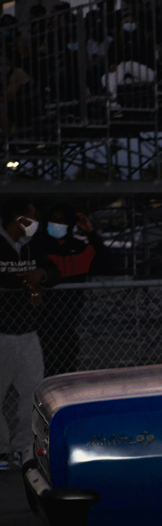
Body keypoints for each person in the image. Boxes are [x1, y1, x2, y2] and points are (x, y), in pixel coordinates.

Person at [0, 198, 51, 470]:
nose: (35, 224)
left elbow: (51, 269)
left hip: (28, 332)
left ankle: (23, 448)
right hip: (2, 333)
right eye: (31, 218)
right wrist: (22, 279)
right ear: (17, 219)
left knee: (32, 393)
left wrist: (40, 273)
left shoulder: (33, 245)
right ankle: (1, 450)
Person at [33, 200, 105, 376]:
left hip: (67, 323)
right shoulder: (36, 246)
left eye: (62, 220)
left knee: (65, 371)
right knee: (39, 372)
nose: (57, 223)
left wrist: (91, 232)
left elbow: (106, 264)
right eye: (54, 219)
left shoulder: (79, 248)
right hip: (39, 323)